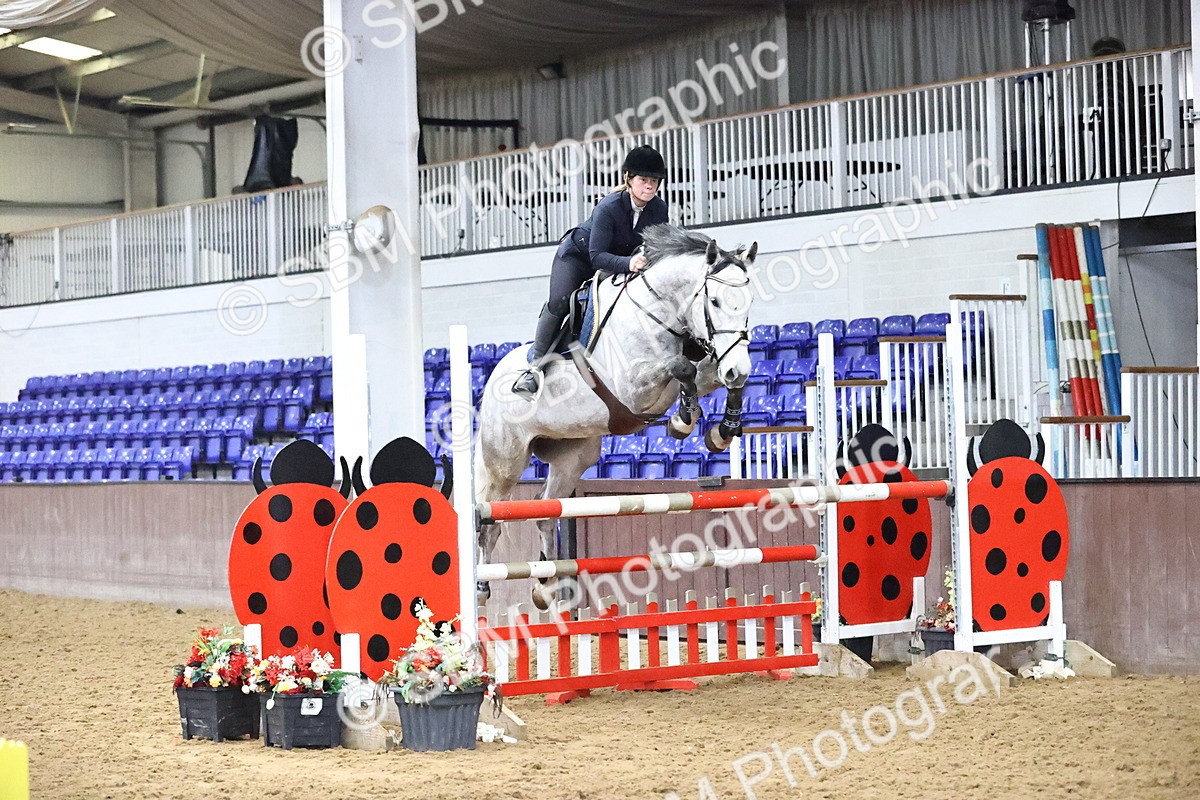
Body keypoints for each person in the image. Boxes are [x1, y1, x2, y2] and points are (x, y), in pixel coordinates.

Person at [512, 144, 669, 396]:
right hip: (579, 257)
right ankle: (535, 368)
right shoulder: (608, 207)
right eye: (643, 180)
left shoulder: (659, 209)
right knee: (561, 302)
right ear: (628, 179)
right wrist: (629, 263)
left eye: (654, 180)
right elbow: (597, 257)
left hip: (618, 259)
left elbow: (654, 244)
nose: (649, 185)